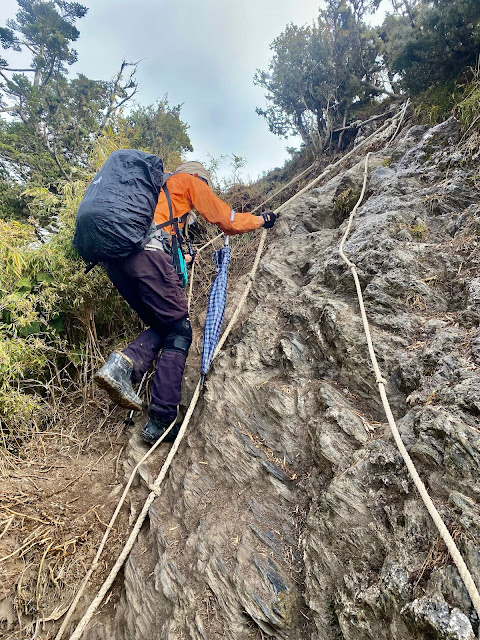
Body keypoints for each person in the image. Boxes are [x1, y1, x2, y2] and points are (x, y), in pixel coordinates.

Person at [94, 161, 276, 444]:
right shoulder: (187, 182)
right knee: (180, 331)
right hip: (146, 257)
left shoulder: (151, 195)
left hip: (115, 262)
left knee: (165, 325)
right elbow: (226, 220)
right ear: (197, 177)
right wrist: (261, 220)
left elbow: (158, 237)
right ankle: (161, 419)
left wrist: (184, 259)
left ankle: (122, 365)